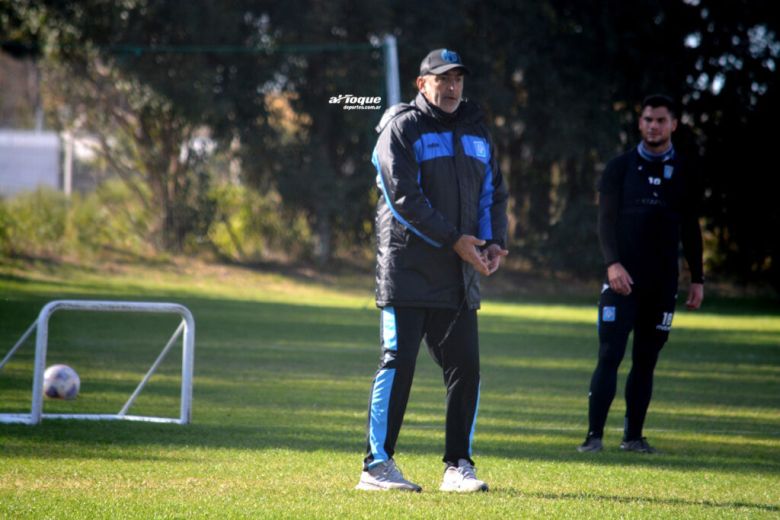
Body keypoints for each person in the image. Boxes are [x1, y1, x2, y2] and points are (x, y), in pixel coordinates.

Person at [355, 48, 509, 492]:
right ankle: (376, 467)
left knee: (467, 368)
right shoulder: (401, 127)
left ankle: (458, 466)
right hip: (407, 270)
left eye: (458, 78)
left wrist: (492, 241)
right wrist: (455, 241)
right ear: (422, 84)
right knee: (396, 365)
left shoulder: (477, 131)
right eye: (442, 79)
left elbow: (492, 193)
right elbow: (403, 198)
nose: (452, 87)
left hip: (458, 273)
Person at [578, 94, 704, 454]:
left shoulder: (685, 171)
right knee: (609, 355)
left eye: (661, 120)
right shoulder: (619, 167)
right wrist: (612, 264)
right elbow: (604, 222)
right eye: (648, 119)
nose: (653, 126)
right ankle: (593, 437)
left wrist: (697, 278)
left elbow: (691, 229)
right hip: (621, 281)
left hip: (662, 284)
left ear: (673, 125)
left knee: (646, 361)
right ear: (640, 122)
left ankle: (633, 437)